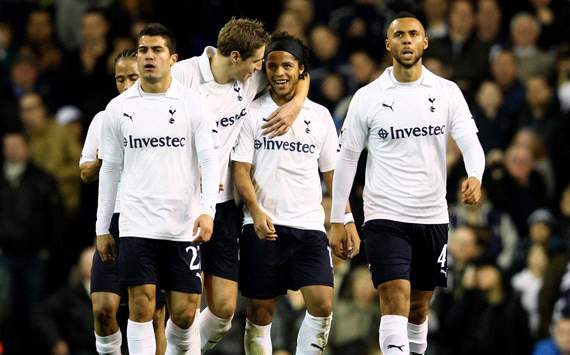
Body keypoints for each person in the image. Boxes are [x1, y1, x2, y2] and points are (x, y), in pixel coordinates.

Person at [329, 12, 485, 355]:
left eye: (414, 34)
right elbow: (346, 159)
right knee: (394, 295)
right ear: (388, 44)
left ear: (425, 42)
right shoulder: (368, 97)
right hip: (385, 215)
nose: (407, 40)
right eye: (399, 35)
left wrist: (475, 175)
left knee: (418, 307)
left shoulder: (446, 92)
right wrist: (338, 217)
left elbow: (471, 144)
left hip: (432, 214)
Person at [171, 18, 310, 352]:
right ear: (235, 56)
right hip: (182, 203)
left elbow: (300, 76)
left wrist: (293, 107)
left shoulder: (247, 79)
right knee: (184, 307)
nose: (261, 69)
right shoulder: (183, 77)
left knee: (223, 311)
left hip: (223, 207)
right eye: (256, 62)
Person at [95, 23, 219, 354]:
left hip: (183, 223)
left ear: (173, 59)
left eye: (157, 50)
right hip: (137, 222)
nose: (149, 57)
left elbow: (210, 160)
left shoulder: (193, 102)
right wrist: (103, 227)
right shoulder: (118, 109)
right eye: (143, 51)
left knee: (184, 312)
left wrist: (208, 210)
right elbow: (109, 169)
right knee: (141, 305)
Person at [232, 32, 358, 355]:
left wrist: (345, 218)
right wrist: (256, 211)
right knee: (260, 312)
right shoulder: (252, 113)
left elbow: (333, 174)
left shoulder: (319, 116)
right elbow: (240, 171)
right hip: (263, 226)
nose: (279, 72)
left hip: (309, 227)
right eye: (272, 66)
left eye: (287, 65)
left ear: (301, 70)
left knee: (322, 304)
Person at [80, 49, 167, 355]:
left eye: (133, 76)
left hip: (153, 220)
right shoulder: (104, 119)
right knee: (103, 310)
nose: (127, 84)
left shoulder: (166, 115)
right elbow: (85, 171)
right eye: (120, 78)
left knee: (153, 313)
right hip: (115, 220)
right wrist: (106, 160)